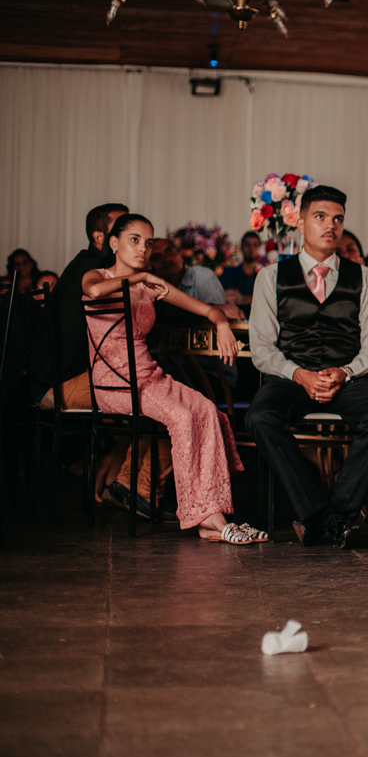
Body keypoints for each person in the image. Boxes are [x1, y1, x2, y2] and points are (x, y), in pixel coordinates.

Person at [81, 215, 260, 545]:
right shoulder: (99, 275)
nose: (143, 249)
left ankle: (213, 519)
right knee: (183, 417)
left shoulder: (151, 286)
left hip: (149, 376)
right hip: (116, 383)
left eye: (148, 243)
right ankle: (205, 517)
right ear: (114, 243)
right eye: (135, 240)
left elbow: (207, 310)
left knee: (208, 411)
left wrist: (220, 322)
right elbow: (92, 291)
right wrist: (142, 277)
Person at [245, 185, 368, 549]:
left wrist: (345, 372)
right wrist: (299, 374)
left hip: (349, 378)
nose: (331, 226)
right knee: (260, 416)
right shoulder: (270, 277)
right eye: (320, 217)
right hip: (292, 378)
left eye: (338, 219)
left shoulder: (366, 279)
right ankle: (326, 516)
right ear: (299, 221)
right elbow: (262, 347)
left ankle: (332, 514)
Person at [29, 203, 127, 410]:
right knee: (151, 393)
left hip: (58, 378)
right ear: (99, 237)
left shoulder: (86, 262)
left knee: (154, 389)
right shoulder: (95, 269)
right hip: (57, 387)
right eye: (121, 226)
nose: (129, 230)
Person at [150, 238, 241, 318]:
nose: (166, 259)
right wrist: (214, 309)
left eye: (169, 251)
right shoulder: (149, 286)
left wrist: (216, 310)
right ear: (149, 266)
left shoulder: (202, 275)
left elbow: (221, 314)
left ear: (181, 255)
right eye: (156, 257)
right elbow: (165, 314)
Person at [220, 231, 262, 307]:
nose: (251, 248)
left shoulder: (262, 276)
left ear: (259, 247)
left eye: (255, 245)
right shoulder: (229, 273)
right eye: (247, 245)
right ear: (241, 247)